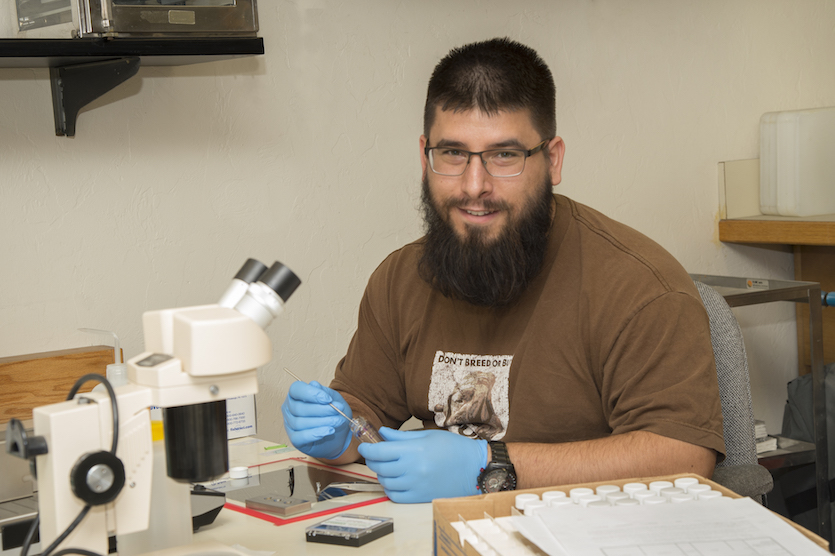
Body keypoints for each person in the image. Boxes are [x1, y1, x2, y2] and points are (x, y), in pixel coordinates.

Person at [282, 37, 726, 504]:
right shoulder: (399, 280)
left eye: (504, 156)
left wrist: (494, 467)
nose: (475, 186)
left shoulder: (639, 287)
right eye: (453, 153)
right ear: (424, 156)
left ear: (552, 160)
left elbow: (684, 456)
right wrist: (338, 432)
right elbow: (364, 411)